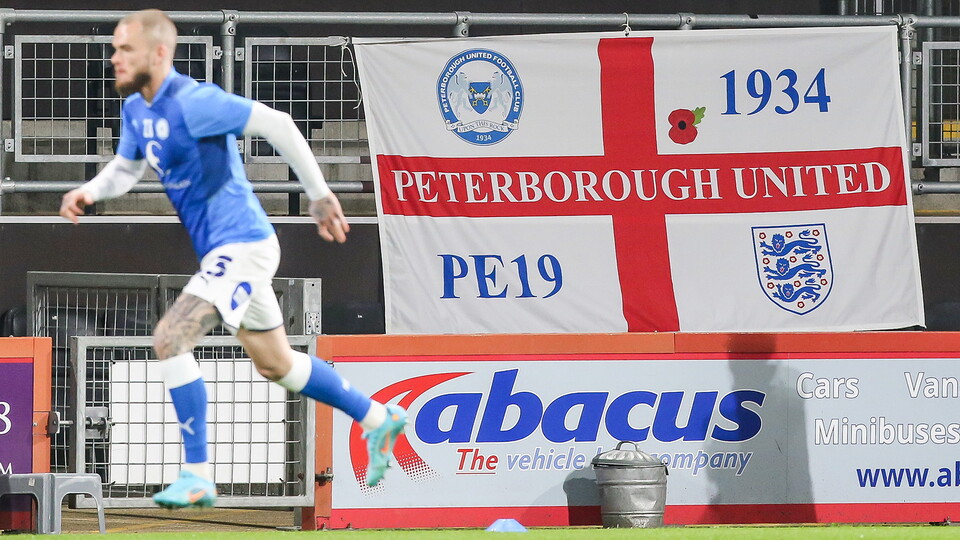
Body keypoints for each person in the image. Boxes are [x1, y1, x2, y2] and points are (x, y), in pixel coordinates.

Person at [59, 9, 406, 509]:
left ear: (159, 53)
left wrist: (318, 193)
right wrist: (90, 191)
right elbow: (127, 168)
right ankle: (378, 417)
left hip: (242, 245)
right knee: (278, 365)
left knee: (170, 337)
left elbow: (278, 122)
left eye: (125, 49)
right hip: (227, 253)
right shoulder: (136, 109)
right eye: (114, 48)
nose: (114, 58)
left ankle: (197, 474)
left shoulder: (195, 101)